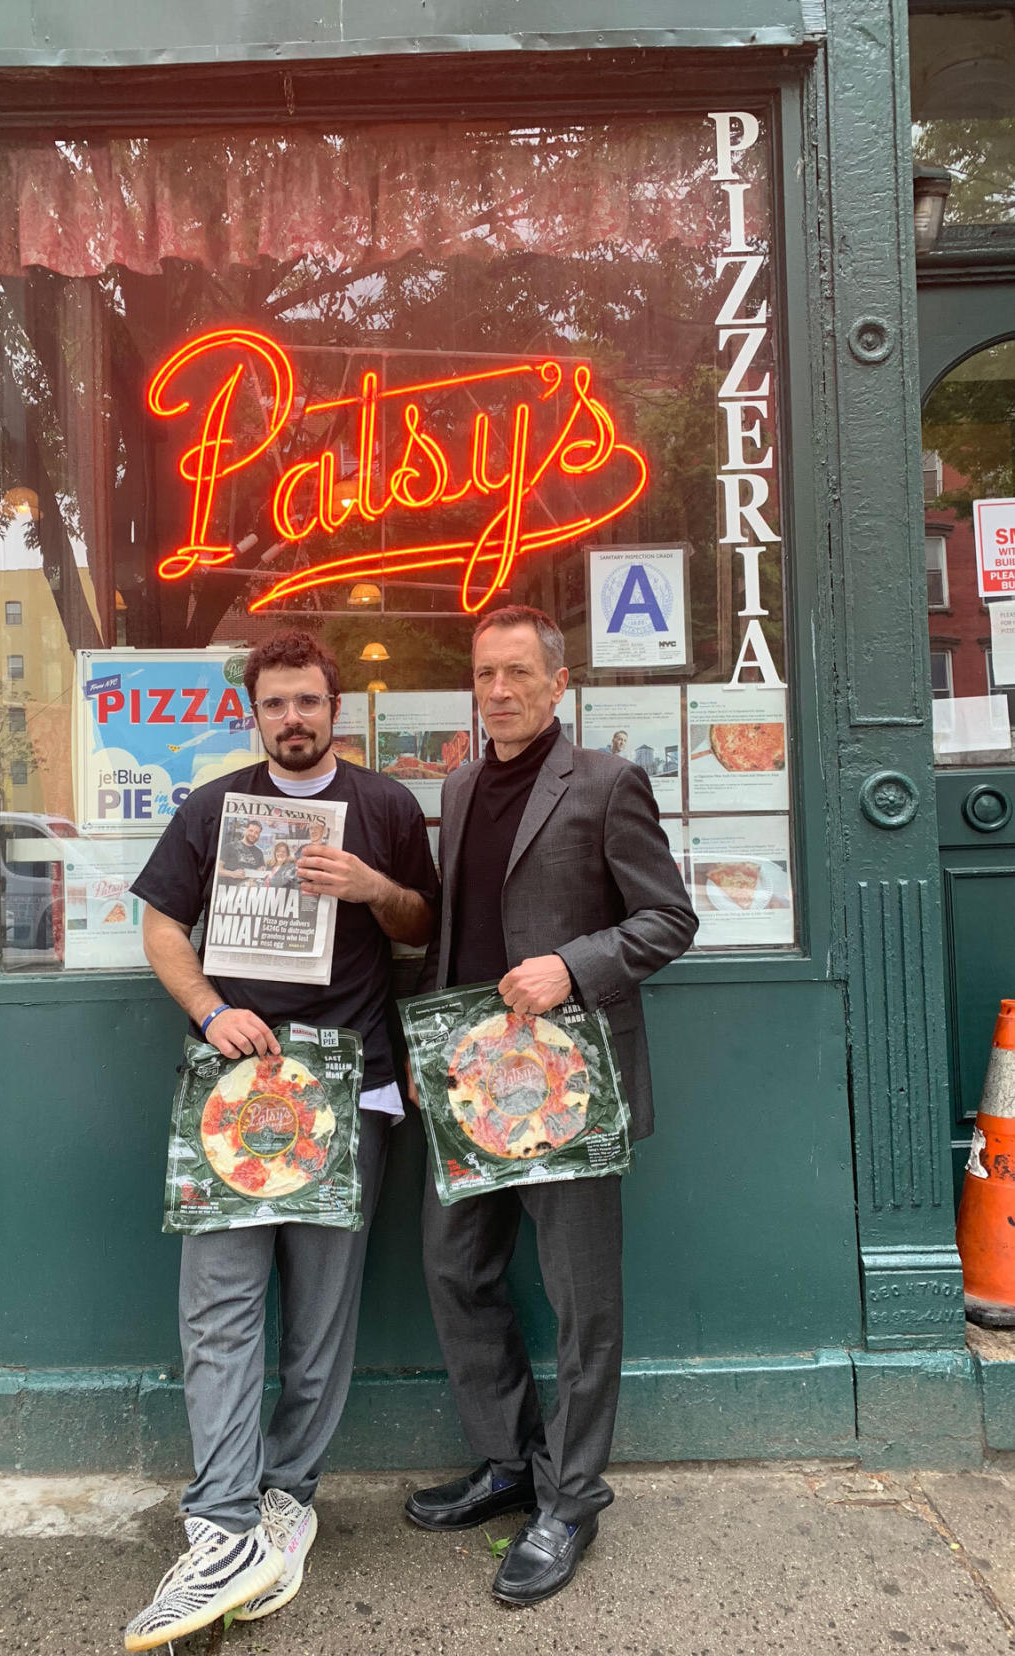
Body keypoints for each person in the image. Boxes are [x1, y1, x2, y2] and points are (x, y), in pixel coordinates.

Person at [124, 630, 439, 1651]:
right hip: (233, 1091)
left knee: (319, 1319)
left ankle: (286, 1497)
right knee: (218, 1307)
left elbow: (423, 930)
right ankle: (219, 1522)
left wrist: (372, 889)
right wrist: (212, 1010)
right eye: (275, 704)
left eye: (308, 701)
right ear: (253, 713)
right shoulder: (212, 807)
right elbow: (161, 926)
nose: (293, 718)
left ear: (335, 708)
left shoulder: (386, 806)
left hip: (353, 1090)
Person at [405, 605, 697, 1608]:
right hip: (472, 1085)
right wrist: (429, 1056)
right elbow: (453, 937)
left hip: (572, 1088)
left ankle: (571, 1500)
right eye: (485, 673)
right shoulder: (456, 782)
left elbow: (669, 919)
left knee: (583, 1304)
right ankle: (507, 1463)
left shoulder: (608, 783)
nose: (499, 690)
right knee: (454, 1270)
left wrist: (573, 969)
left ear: (558, 683)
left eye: (519, 672)